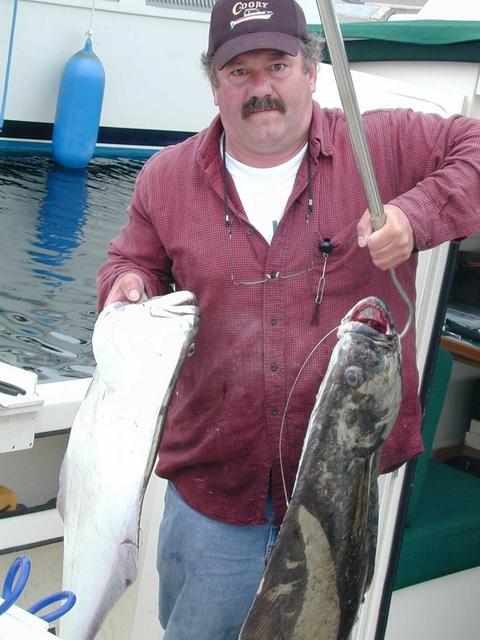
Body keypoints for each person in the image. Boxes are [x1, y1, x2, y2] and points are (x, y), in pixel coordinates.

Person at [97, 0, 480, 637]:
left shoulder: (381, 145)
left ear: (311, 66)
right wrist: (127, 285)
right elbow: (131, 259)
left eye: (277, 64)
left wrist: (417, 215)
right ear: (213, 82)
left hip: (343, 502)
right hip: (216, 501)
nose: (261, 88)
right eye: (239, 72)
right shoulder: (165, 178)